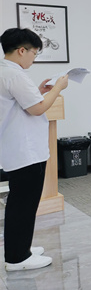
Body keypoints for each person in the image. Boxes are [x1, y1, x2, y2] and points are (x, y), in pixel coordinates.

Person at [0, 28, 69, 271]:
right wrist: (58, 88)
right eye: (34, 53)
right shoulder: (14, 75)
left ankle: (21, 248)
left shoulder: (6, 72)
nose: (34, 58)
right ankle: (17, 258)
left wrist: (39, 92)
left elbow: (23, 103)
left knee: (22, 202)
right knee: (23, 203)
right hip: (25, 150)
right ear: (21, 50)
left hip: (19, 148)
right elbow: (37, 109)